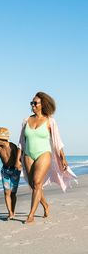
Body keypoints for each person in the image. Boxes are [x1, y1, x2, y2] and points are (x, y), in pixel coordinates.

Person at [15, 91, 77, 224]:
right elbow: (21, 141)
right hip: (28, 155)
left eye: (35, 103)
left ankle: (31, 215)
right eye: (31, 103)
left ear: (42, 104)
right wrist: (17, 159)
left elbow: (57, 141)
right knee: (34, 185)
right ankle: (46, 206)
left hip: (44, 153)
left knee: (37, 182)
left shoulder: (50, 121)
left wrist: (63, 158)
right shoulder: (26, 120)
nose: (32, 105)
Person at [0, 127, 21, 220]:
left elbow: (18, 159)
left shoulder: (13, 147)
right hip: (5, 171)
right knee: (6, 192)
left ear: (3, 138)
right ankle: (10, 213)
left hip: (15, 171)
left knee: (13, 193)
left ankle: (13, 210)